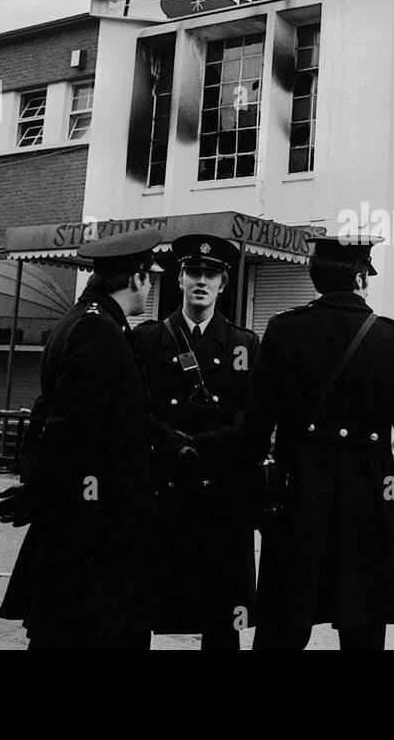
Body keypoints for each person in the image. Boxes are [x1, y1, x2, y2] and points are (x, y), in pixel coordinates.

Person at [244, 233, 394, 651]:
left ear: (315, 277)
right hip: (370, 499)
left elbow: (255, 428)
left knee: (282, 627)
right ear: (362, 278)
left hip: (297, 499)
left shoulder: (283, 330)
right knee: (363, 627)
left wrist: (256, 500)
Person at [0, 229, 163, 650]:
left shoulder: (79, 320)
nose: (150, 286)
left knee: (65, 629)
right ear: (137, 278)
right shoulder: (101, 331)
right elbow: (74, 426)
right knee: (90, 630)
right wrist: (41, 491)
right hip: (96, 525)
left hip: (82, 516)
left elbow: (51, 415)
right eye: (149, 277)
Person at [133, 234, 260, 650]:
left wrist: (201, 445)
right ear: (180, 280)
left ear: (224, 284)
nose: (201, 282)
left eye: (211, 274)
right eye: (193, 273)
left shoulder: (244, 344)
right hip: (163, 485)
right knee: (147, 604)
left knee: (221, 613)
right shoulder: (150, 339)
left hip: (220, 492)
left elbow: (251, 417)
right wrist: (171, 443)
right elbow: (134, 407)